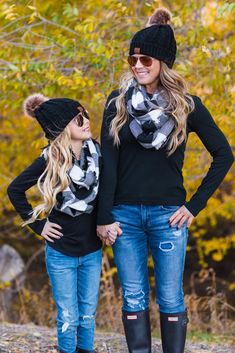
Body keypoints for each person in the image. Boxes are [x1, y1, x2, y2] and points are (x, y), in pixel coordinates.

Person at [96, 7, 234, 353]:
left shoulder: (187, 106)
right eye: (133, 59)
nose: (138, 65)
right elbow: (107, 164)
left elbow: (224, 154)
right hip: (124, 216)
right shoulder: (117, 103)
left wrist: (194, 206)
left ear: (162, 62)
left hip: (168, 215)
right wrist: (104, 216)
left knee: (171, 296)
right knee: (133, 294)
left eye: (145, 59)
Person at [7, 94, 102, 353]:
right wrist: (38, 226)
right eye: (78, 119)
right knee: (68, 316)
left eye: (85, 115)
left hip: (92, 250)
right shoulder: (50, 160)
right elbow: (15, 190)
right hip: (61, 252)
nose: (86, 122)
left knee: (87, 315)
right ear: (61, 129)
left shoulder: (97, 155)